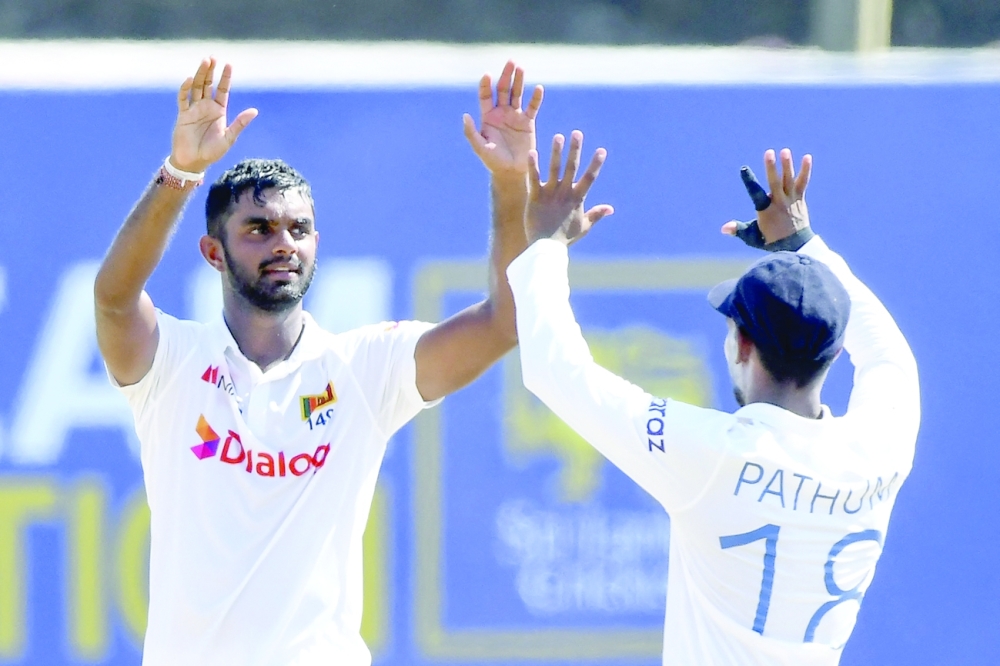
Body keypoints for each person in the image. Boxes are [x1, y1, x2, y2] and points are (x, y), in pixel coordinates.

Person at [94, 57, 542, 665]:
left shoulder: (364, 367)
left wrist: (510, 183)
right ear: (213, 252)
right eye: (258, 228)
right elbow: (115, 299)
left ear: (316, 244)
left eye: (297, 229)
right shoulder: (171, 363)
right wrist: (183, 172)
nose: (283, 243)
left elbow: (505, 323)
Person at [507, 136, 919, 665]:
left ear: (741, 344)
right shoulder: (879, 447)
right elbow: (889, 357)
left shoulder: (712, 456)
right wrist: (805, 246)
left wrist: (545, 243)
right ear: (836, 355)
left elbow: (554, 372)